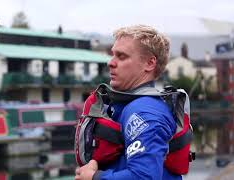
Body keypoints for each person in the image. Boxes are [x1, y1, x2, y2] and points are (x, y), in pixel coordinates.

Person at [75, 25, 182, 180]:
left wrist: (95, 177)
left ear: (149, 64)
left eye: (122, 56)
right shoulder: (131, 105)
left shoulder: (144, 113)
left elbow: (145, 177)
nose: (110, 63)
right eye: (113, 55)